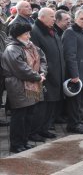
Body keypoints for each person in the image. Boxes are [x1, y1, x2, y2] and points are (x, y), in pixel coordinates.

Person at [2, 23, 47, 153]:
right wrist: (38, 76)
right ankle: (16, 144)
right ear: (18, 35)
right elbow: (21, 69)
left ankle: (24, 141)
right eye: (26, 33)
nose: (29, 36)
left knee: (29, 115)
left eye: (29, 33)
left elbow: (42, 58)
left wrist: (42, 72)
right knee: (19, 117)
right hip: (18, 86)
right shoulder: (12, 49)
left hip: (32, 85)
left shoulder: (30, 45)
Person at [29, 8, 64, 140]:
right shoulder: (35, 31)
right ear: (42, 17)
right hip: (45, 76)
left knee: (51, 105)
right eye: (51, 16)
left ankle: (44, 129)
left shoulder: (51, 30)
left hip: (56, 73)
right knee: (41, 107)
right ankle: (34, 132)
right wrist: (43, 73)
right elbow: (35, 56)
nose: (54, 19)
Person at [62, 10, 83, 134]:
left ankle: (78, 122)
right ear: (75, 19)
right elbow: (70, 55)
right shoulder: (70, 32)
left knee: (81, 102)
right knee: (75, 102)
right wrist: (74, 74)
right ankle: (73, 124)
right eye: (82, 19)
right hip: (77, 74)